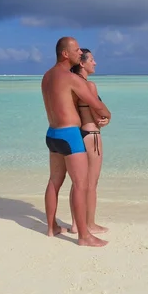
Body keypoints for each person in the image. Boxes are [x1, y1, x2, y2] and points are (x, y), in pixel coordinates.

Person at [41, 37, 111, 247]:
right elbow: (95, 104)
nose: (80, 52)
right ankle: (84, 235)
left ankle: (51, 227)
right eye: (77, 49)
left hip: (52, 133)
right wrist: (108, 115)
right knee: (81, 185)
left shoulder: (46, 76)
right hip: (70, 135)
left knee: (54, 181)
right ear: (65, 54)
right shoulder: (72, 79)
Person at [69, 49, 109, 234]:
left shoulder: (70, 85)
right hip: (91, 135)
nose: (95, 63)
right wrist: (106, 118)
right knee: (91, 184)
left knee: (77, 183)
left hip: (76, 134)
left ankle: (76, 224)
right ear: (82, 63)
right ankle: (90, 224)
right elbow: (97, 111)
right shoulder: (89, 86)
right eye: (92, 60)